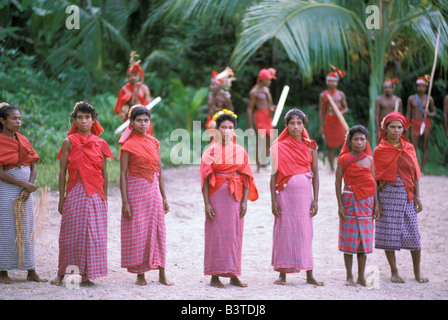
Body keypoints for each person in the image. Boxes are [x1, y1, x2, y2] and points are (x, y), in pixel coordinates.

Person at [51, 101, 114, 287]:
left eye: (87, 117)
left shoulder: (100, 143)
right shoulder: (68, 142)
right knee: (70, 233)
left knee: (92, 234)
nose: (84, 121)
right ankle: (62, 274)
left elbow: (104, 173)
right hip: (75, 191)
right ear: (75, 120)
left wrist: (105, 197)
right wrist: (61, 197)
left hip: (95, 193)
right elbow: (62, 172)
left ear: (93, 119)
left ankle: (87, 275)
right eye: (80, 117)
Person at [200, 110, 258, 288]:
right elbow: (205, 179)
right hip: (216, 195)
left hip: (235, 195)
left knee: (234, 234)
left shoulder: (240, 151)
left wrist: (245, 201)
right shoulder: (210, 151)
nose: (226, 130)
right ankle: (214, 276)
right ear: (217, 130)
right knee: (216, 233)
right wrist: (207, 203)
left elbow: (247, 176)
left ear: (235, 130)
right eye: (223, 127)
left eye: (230, 127)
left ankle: (234, 274)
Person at [119, 105, 173, 286]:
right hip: (135, 192)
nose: (143, 124)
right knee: (139, 231)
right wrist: (125, 201)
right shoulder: (128, 145)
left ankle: (162, 273)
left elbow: (160, 171)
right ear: (132, 123)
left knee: (159, 230)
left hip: (153, 191)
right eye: (139, 120)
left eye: (146, 120)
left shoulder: (154, 142)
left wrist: (164, 197)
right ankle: (140, 274)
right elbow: (123, 174)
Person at [270, 109, 324, 286]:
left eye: (299, 123)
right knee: (283, 231)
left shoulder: (311, 146)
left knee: (305, 232)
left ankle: (309, 274)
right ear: (286, 126)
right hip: (284, 196)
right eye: (292, 123)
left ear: (303, 125)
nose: (295, 126)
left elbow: (315, 174)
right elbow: (273, 175)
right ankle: (282, 274)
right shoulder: (279, 147)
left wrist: (316, 199)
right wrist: (273, 201)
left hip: (304, 197)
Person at [373, 112, 428, 284]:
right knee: (388, 234)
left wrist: (417, 196)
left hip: (407, 195)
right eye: (392, 127)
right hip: (387, 196)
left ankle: (417, 272)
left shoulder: (409, 148)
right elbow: (374, 179)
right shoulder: (380, 150)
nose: (396, 130)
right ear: (385, 129)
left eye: (399, 127)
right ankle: (394, 271)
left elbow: (415, 174)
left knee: (413, 234)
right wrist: (376, 203)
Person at [0, 103, 47, 284]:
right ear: (2, 121)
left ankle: (30, 269)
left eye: (19, 118)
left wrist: (29, 186)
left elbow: (33, 165)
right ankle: (2, 271)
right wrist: (24, 184)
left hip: (26, 190)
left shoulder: (23, 139)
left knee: (26, 228)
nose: (18, 121)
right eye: (14, 118)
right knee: (6, 228)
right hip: (6, 190)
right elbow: (1, 173)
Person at [335, 125, 379, 287]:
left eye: (362, 139)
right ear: (349, 141)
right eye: (356, 139)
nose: (359, 142)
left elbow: (373, 182)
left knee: (363, 241)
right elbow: (338, 182)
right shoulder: (343, 159)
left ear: (366, 141)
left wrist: (376, 204)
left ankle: (361, 276)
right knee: (349, 240)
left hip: (367, 203)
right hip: (349, 201)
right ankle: (349, 277)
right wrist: (340, 204)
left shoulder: (369, 160)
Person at [114, 51, 153, 135]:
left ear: (138, 76)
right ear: (127, 77)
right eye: (130, 76)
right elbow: (120, 106)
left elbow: (149, 105)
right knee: (129, 140)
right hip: (130, 118)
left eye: (135, 75)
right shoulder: (124, 89)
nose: (133, 78)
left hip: (142, 117)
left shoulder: (144, 88)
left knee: (147, 140)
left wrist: (144, 118)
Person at [319, 65, 349, 170]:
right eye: (330, 81)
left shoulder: (341, 94)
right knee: (330, 146)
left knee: (342, 145)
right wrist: (321, 126)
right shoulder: (323, 95)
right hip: (329, 120)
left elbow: (346, 108)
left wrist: (340, 113)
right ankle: (331, 168)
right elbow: (321, 111)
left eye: (334, 81)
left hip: (339, 121)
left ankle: (342, 166)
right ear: (327, 82)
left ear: (337, 82)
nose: (333, 83)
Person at [248, 68, 277, 172]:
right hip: (259, 116)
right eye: (268, 80)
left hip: (267, 116)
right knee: (260, 141)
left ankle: (264, 163)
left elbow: (269, 106)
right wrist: (250, 125)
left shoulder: (266, 90)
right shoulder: (254, 92)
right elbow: (249, 109)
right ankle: (259, 166)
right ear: (262, 80)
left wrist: (274, 108)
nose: (270, 82)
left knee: (269, 140)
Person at [406, 75, 436, 171]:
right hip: (414, 123)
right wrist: (406, 128)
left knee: (425, 145)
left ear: (426, 87)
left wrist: (428, 113)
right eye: (419, 86)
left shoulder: (429, 99)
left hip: (425, 123)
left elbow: (434, 113)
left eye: (423, 86)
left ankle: (422, 169)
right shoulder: (411, 99)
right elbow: (408, 114)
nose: (421, 88)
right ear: (416, 86)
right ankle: (414, 167)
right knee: (413, 146)